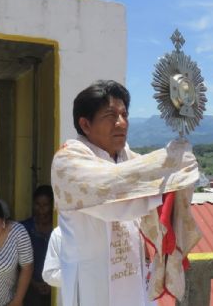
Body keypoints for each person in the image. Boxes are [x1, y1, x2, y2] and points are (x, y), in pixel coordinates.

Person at [50, 80, 200, 306]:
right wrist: (171, 163)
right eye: (110, 116)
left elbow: (155, 180)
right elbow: (115, 201)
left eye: (124, 114)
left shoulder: (130, 160)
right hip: (92, 283)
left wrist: (178, 170)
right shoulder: (68, 162)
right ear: (85, 124)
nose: (121, 123)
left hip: (133, 276)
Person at [21, 185, 54, 306]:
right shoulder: (24, 228)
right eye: (37, 204)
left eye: (45, 205)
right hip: (29, 287)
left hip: (57, 287)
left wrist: (52, 284)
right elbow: (16, 263)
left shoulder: (60, 230)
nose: (41, 209)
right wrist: (33, 283)